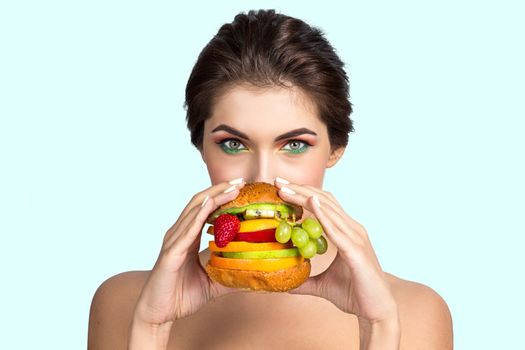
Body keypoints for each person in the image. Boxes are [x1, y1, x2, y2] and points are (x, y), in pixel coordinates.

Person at [88, 9, 453, 349]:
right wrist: (149, 328)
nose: (261, 177)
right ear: (200, 146)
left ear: (335, 149)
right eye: (233, 144)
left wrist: (379, 327)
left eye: (294, 144)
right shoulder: (123, 302)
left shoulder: (414, 312)